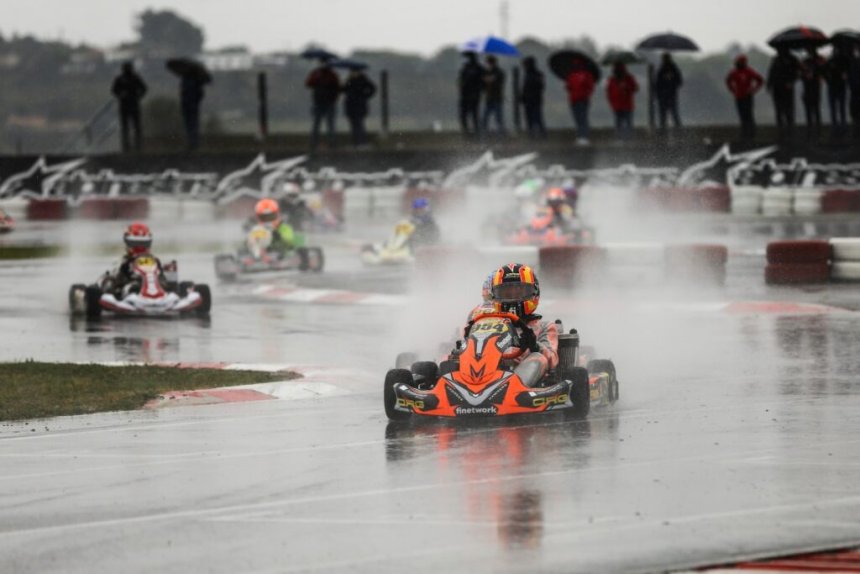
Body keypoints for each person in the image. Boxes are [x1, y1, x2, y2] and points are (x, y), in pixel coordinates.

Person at [470, 263, 560, 388]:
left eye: (519, 293)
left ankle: (515, 388)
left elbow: (552, 359)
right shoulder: (487, 324)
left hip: (526, 383)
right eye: (507, 294)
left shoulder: (545, 326)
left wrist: (534, 346)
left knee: (538, 358)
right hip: (487, 373)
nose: (513, 298)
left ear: (534, 293)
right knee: (451, 359)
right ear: (495, 295)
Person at [104, 222, 164, 295]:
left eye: (143, 243)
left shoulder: (156, 261)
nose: (140, 247)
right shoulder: (123, 262)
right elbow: (115, 280)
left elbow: (163, 278)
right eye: (135, 243)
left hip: (156, 288)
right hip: (130, 290)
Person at [725, 54, 764, 140]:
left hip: (747, 96)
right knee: (742, 115)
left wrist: (753, 90)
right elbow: (728, 81)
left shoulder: (749, 71)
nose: (737, 63)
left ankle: (752, 133)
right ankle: (744, 133)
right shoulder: (734, 72)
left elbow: (760, 80)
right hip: (739, 97)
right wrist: (733, 90)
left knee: (749, 115)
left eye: (739, 62)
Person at [305, 60, 341, 152]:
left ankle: (331, 143)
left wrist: (333, 98)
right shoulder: (317, 73)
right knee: (317, 124)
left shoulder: (332, 75)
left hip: (328, 103)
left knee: (329, 124)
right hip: (319, 102)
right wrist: (316, 77)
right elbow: (309, 84)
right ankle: (314, 143)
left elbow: (337, 88)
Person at [111, 62, 147, 152]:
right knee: (126, 127)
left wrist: (138, 96)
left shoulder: (134, 78)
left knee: (135, 126)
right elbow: (114, 90)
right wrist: (121, 94)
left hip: (133, 104)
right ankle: (127, 146)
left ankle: (137, 146)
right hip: (125, 105)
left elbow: (144, 88)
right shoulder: (121, 79)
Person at [767, 48, 800, 138]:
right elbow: (771, 72)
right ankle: (781, 130)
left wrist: (791, 81)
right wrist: (769, 85)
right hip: (777, 87)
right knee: (779, 109)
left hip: (787, 87)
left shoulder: (792, 59)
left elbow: (797, 72)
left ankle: (790, 129)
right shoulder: (776, 59)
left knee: (788, 109)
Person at [342, 68, 376, 146]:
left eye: (355, 72)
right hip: (351, 106)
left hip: (359, 106)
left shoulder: (363, 80)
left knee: (359, 124)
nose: (354, 74)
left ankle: (361, 142)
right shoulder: (349, 80)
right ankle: (356, 142)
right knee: (354, 125)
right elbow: (344, 90)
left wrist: (365, 96)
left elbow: (372, 89)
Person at [565, 59, 596, 144]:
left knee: (583, 118)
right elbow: (568, 87)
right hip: (574, 100)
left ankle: (584, 136)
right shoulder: (571, 75)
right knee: (577, 119)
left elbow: (590, 87)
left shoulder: (586, 75)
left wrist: (586, 94)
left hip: (583, 100)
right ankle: (580, 136)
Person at [606, 62, 639, 138]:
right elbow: (609, 92)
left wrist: (626, 87)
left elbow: (635, 88)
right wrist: (612, 103)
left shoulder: (628, 78)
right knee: (621, 123)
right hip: (619, 105)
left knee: (626, 123)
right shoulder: (612, 79)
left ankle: (627, 138)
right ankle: (621, 138)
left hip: (625, 105)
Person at [800, 48, 826, 138]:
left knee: (815, 110)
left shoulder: (817, 62)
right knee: (811, 110)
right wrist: (805, 74)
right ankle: (812, 130)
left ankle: (816, 130)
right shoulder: (806, 62)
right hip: (809, 89)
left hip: (813, 89)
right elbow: (801, 75)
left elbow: (822, 72)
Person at [826, 44, 851, 135]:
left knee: (840, 107)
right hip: (834, 86)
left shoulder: (843, 60)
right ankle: (836, 124)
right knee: (836, 107)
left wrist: (846, 75)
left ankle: (841, 124)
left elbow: (848, 71)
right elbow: (825, 72)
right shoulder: (831, 61)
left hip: (839, 86)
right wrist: (828, 79)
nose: (835, 51)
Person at [458, 53, 485, 136]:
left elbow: (462, 81)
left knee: (469, 113)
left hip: (470, 94)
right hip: (471, 94)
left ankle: (469, 129)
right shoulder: (478, 68)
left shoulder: (468, 68)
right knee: (473, 113)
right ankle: (471, 129)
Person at [655, 52, 683, 129]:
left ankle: (668, 129)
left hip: (669, 95)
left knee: (669, 113)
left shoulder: (671, 69)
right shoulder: (665, 69)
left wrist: (670, 81)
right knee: (669, 113)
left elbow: (679, 82)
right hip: (668, 95)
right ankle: (676, 129)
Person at [180, 72, 207, 151]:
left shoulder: (188, 80)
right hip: (191, 106)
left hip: (189, 106)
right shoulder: (196, 81)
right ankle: (193, 143)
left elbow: (198, 94)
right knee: (192, 124)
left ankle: (193, 143)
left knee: (191, 124)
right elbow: (200, 94)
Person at [520, 56, 546, 138]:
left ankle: (538, 134)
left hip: (533, 100)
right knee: (533, 118)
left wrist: (523, 96)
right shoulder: (535, 74)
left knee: (536, 118)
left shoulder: (535, 75)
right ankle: (535, 134)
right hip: (532, 99)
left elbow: (540, 86)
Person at [482, 55, 506, 134]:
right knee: (485, 117)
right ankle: (483, 132)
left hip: (496, 97)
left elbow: (495, 81)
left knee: (498, 117)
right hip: (490, 97)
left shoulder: (498, 72)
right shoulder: (488, 72)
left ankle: (501, 132)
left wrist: (489, 80)